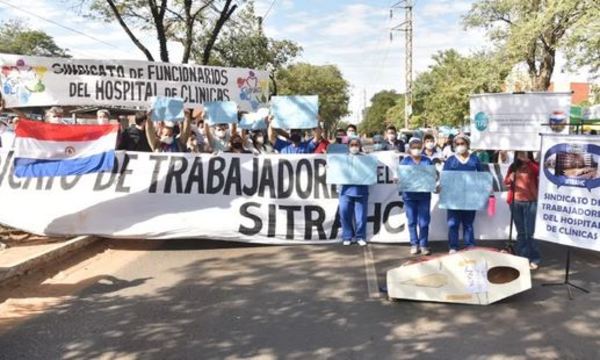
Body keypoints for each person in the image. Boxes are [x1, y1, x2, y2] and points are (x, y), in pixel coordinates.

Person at [442, 134, 484, 253]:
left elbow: (481, 177)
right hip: (453, 197)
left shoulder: (474, 159)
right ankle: (453, 246)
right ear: (454, 145)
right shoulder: (450, 160)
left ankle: (469, 245)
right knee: (453, 223)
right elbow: (445, 178)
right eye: (458, 144)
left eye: (462, 144)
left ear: (467, 144)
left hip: (470, 197)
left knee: (468, 223)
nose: (460, 146)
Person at [504, 151, 541, 270]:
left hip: (531, 202)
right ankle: (522, 258)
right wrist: (510, 179)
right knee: (521, 232)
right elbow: (506, 183)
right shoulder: (513, 166)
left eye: (524, 153)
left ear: (528, 153)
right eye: (519, 153)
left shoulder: (534, 165)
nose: (521, 155)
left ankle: (534, 258)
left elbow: (538, 172)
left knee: (530, 232)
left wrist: (528, 161)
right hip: (515, 202)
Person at [401, 138, 434, 255]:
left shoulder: (427, 161)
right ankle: (414, 244)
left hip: (424, 196)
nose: (416, 149)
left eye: (418, 147)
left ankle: (423, 244)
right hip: (409, 196)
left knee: (424, 222)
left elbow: (433, 176)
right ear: (409, 149)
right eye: (414, 147)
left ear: (422, 148)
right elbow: (401, 177)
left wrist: (435, 183)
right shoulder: (405, 162)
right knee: (411, 221)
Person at [339, 137, 369, 246]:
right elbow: (336, 170)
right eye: (352, 145)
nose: (354, 147)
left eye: (356, 145)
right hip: (345, 191)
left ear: (360, 146)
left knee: (360, 217)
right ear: (348, 147)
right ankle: (347, 236)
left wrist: (368, 156)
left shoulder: (366, 159)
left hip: (361, 191)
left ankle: (360, 237)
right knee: (344, 214)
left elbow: (371, 171)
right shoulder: (342, 159)